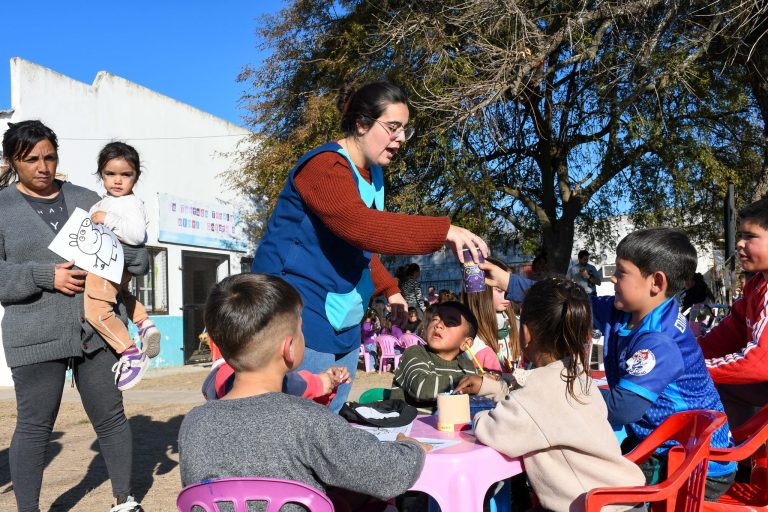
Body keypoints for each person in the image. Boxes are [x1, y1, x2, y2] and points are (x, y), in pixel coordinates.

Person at [251, 82, 487, 411]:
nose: (401, 138)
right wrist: (443, 231)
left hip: (343, 319)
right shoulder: (323, 167)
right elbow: (360, 226)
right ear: (362, 124)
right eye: (392, 127)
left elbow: (358, 248)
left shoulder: (373, 174)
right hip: (299, 313)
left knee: (330, 418)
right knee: (298, 418)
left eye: (405, 129)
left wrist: (390, 289)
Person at [481, 228, 737, 500]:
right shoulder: (623, 312)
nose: (612, 278)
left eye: (622, 272)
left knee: (585, 484)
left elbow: (621, 408)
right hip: (658, 445)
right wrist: (508, 281)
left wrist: (555, 397)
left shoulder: (659, 340)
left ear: (656, 282)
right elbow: (567, 304)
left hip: (694, 463)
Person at [178, 273, 430, 511]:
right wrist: (411, 448)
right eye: (301, 330)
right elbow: (388, 475)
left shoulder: (194, 424)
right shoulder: (307, 420)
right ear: (289, 348)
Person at [0, 121, 140, 512]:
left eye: (50, 157)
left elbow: (127, 248)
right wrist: (45, 276)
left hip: (96, 329)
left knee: (111, 418)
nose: (43, 167)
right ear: (12, 160)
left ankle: (124, 500)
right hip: (34, 332)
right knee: (34, 427)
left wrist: (135, 256)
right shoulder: (1, 207)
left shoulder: (87, 198)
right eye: (31, 159)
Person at [455, 278, 645, 512]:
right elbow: (531, 394)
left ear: (526, 333)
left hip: (593, 507)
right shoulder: (576, 375)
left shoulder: (538, 394)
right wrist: (492, 386)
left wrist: (476, 414)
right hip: (622, 498)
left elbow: (495, 431)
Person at [84, 141, 161, 390]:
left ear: (136, 177)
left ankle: (130, 353)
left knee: (96, 311)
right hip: (109, 265)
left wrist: (108, 219)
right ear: (101, 174)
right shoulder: (105, 202)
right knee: (123, 295)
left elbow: (137, 236)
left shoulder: (129, 203)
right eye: (110, 174)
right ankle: (144, 324)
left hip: (108, 265)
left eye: (125, 174)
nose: (117, 180)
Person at [698, 197, 768, 429]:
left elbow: (759, 362)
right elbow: (729, 333)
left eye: (750, 236)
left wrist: (692, 369)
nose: (739, 243)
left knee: (709, 382)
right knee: (719, 385)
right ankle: (743, 447)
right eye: (740, 235)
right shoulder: (756, 285)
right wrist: (686, 355)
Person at [390, 301, 478, 412]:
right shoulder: (415, 353)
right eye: (435, 319)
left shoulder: (468, 368)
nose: (438, 325)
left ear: (466, 343)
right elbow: (421, 388)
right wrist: (466, 382)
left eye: (451, 322)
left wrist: (486, 383)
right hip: (409, 422)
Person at [463, 256, 520, 372]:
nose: (508, 295)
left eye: (509, 289)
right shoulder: (468, 337)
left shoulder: (516, 323)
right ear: (482, 293)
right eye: (500, 290)